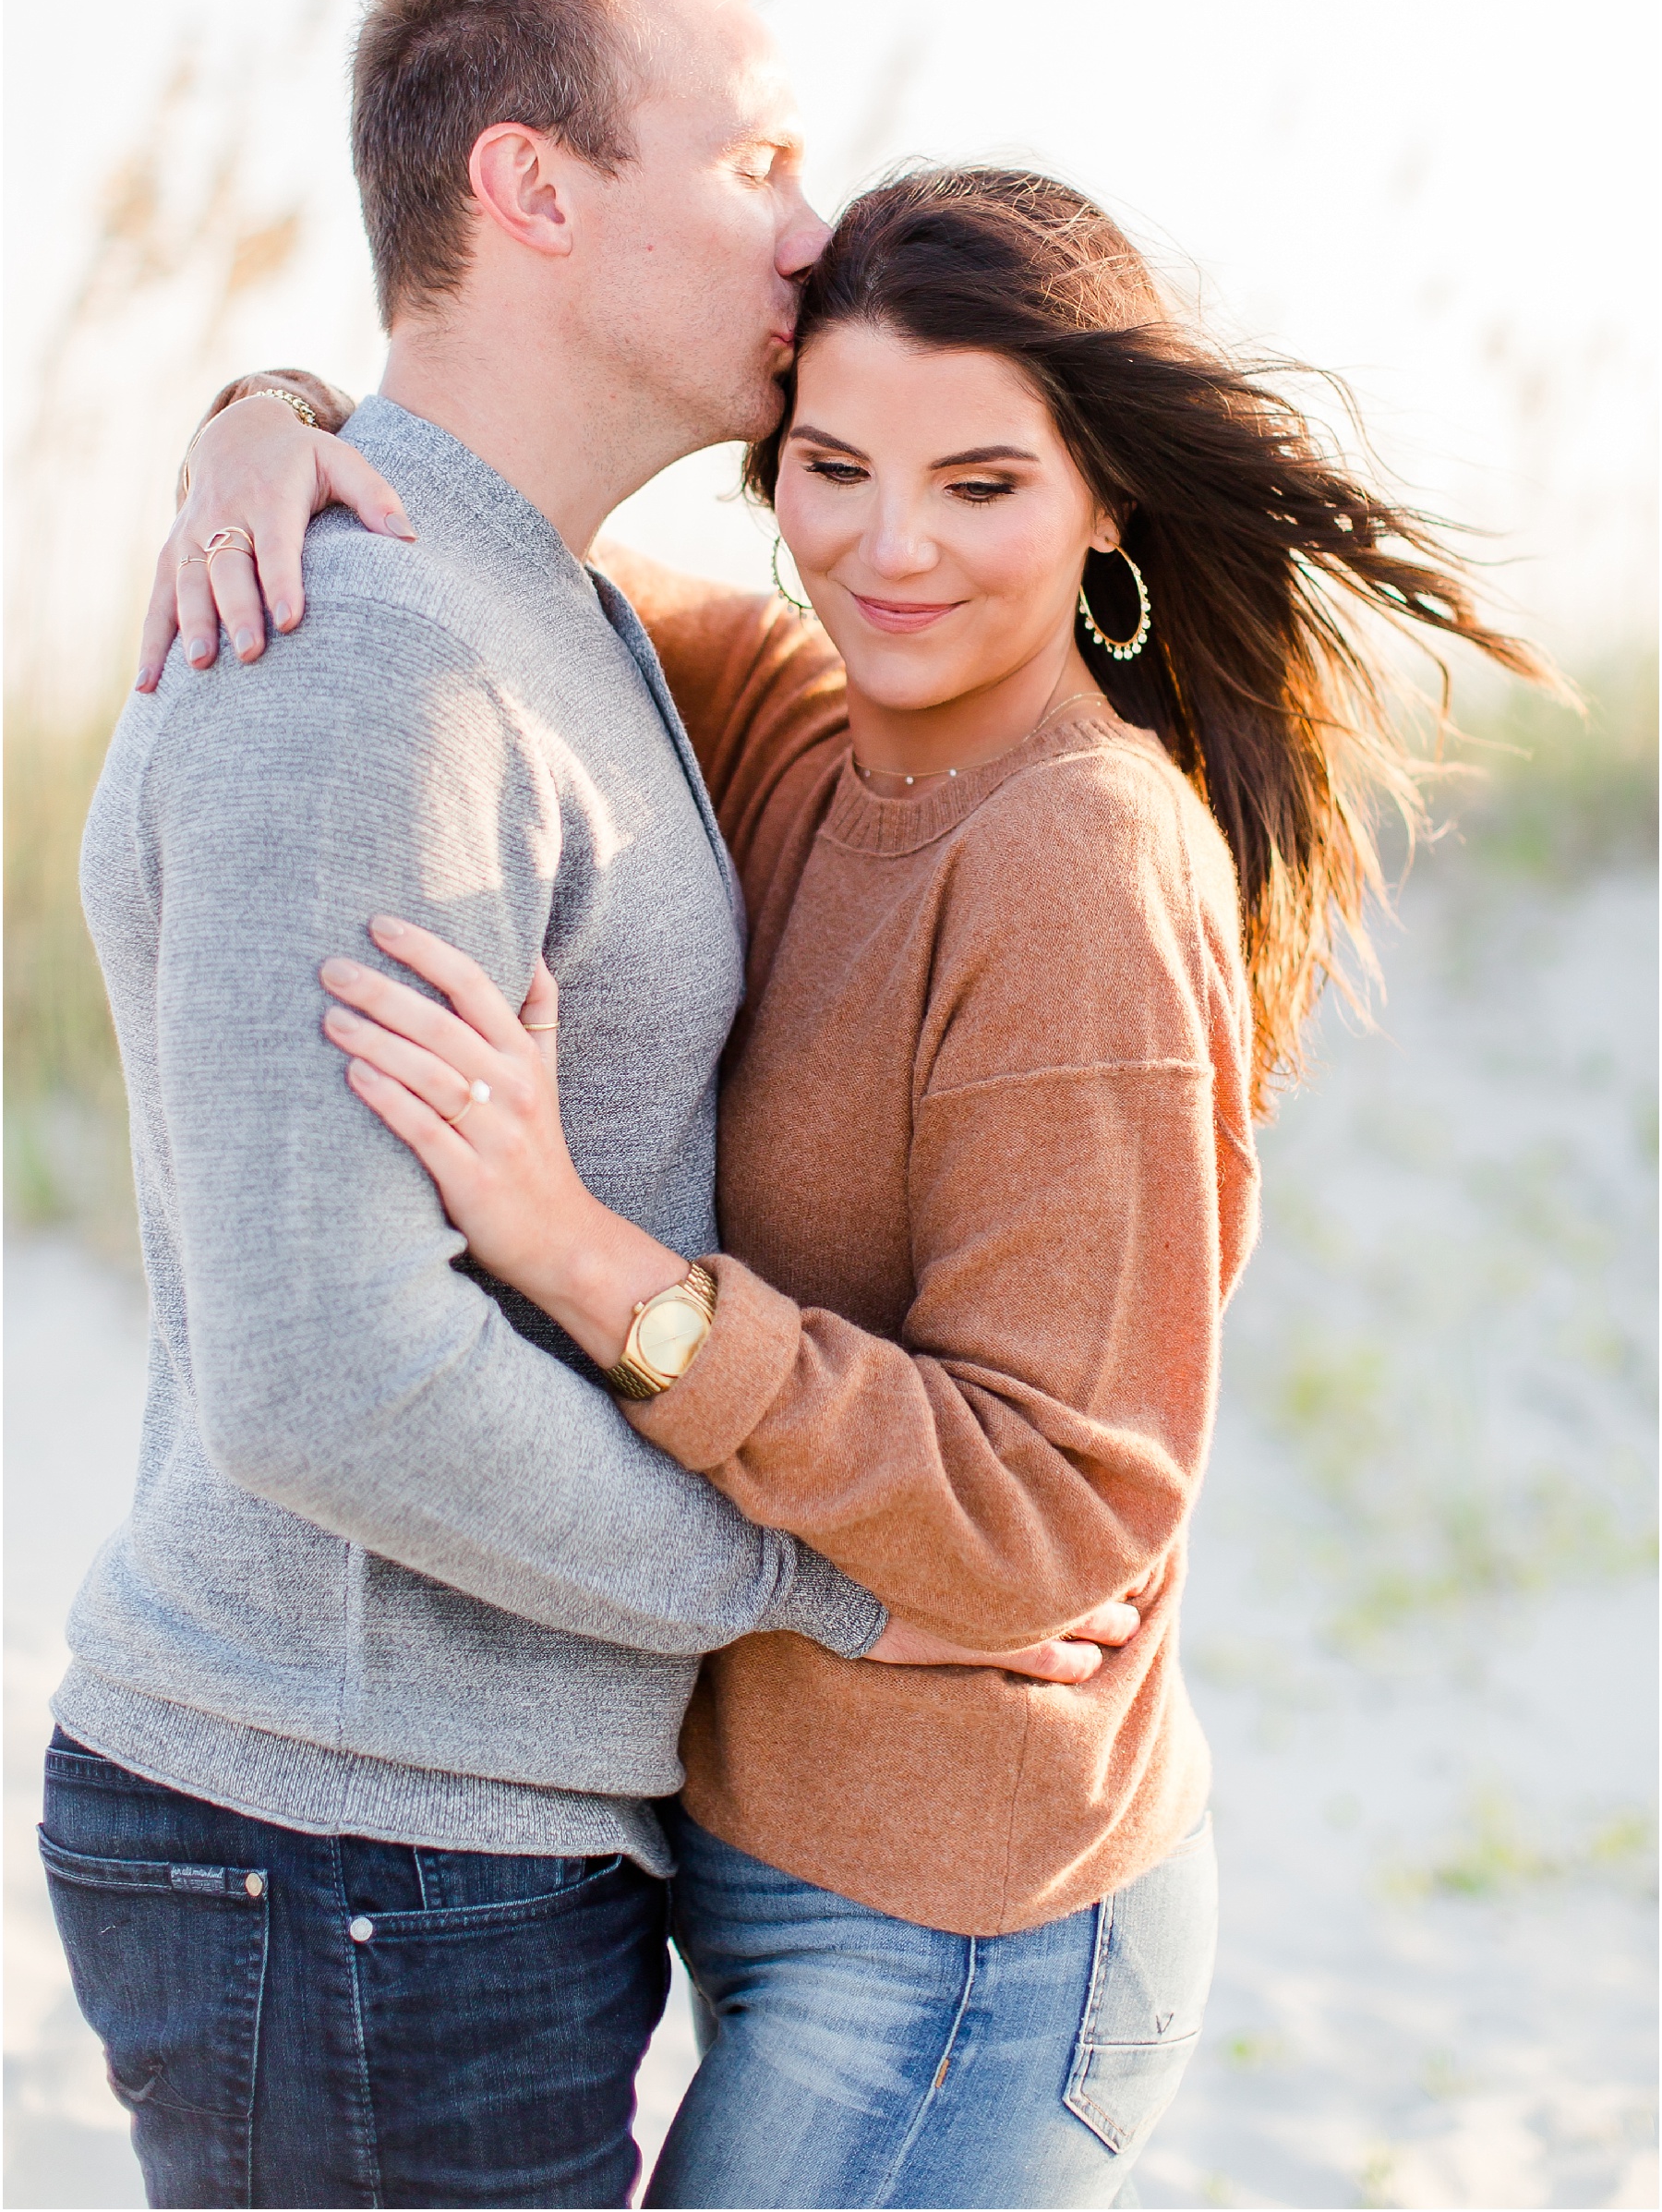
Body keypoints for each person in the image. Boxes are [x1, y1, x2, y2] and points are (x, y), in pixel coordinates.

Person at [151, 165, 1548, 2207]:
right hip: (773, 1850)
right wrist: (258, 420)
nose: (889, 552)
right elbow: (478, 498)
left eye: (983, 484)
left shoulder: (1077, 856)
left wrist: (585, 1251)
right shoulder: (795, 711)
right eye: (832, 467)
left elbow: (1068, 1501)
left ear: (1105, 506)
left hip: (967, 1933)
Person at [46, 0, 1133, 2212]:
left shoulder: (542, 606)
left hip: (429, 1828)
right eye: (749, 154)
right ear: (528, 186)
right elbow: (331, 1368)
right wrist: (825, 1577)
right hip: (341, 1826)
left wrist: (258, 401)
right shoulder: (370, 656)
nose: (805, 222)